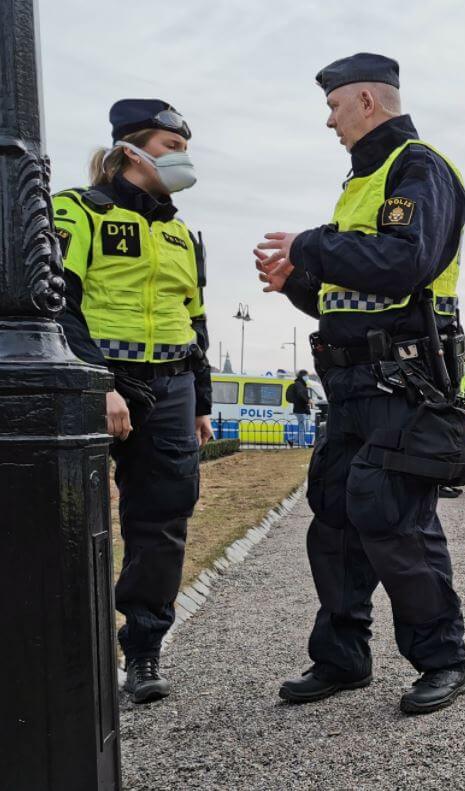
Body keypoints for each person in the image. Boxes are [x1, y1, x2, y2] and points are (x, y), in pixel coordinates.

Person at [254, 53, 465, 714]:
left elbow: (405, 262)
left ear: (367, 102)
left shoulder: (417, 166)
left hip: (402, 382)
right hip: (350, 383)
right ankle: (342, 657)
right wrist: (297, 283)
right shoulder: (363, 180)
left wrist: (310, 245)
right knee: (335, 521)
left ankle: (443, 659)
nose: (329, 121)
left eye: (334, 106)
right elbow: (349, 301)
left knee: (395, 523)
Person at [52, 99, 212, 703]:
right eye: (173, 147)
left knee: (163, 522)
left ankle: (143, 651)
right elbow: (58, 303)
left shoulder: (180, 233)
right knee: (68, 519)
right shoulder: (77, 210)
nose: (184, 159)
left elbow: (196, 323)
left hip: (171, 386)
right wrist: (101, 384)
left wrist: (200, 402)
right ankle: (64, 651)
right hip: (100, 381)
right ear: (132, 151)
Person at [439, 358, 465, 498]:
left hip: (463, 406)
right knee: (447, 444)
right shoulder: (443, 357)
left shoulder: (464, 363)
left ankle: (456, 479)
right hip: (449, 404)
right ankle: (442, 483)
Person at [288, 369, 314, 447]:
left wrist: (308, 399)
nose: (307, 377)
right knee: (302, 428)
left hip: (303, 409)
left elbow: (303, 394)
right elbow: (301, 394)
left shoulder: (302, 384)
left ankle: (292, 440)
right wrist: (308, 400)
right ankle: (303, 445)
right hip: (300, 410)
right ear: (303, 376)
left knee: (305, 428)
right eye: (306, 375)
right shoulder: (299, 384)